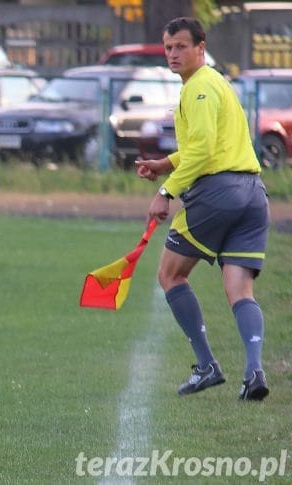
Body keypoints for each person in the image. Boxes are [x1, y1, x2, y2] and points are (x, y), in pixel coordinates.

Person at [135, 17, 270, 401]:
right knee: (240, 289)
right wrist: (168, 163)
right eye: (168, 47)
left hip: (218, 194)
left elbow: (205, 151)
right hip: (252, 195)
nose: (173, 54)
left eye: (180, 46)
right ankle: (254, 370)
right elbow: (210, 145)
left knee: (170, 275)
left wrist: (166, 190)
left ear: (200, 46)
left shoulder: (197, 88)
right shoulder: (216, 83)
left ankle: (207, 365)